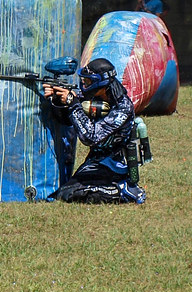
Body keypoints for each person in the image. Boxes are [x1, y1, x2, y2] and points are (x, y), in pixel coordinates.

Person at [42, 58, 146, 204]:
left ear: (102, 82)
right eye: (84, 80)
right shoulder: (91, 96)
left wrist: (73, 103)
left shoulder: (123, 107)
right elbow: (67, 120)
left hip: (115, 166)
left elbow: (90, 137)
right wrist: (58, 101)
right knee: (66, 192)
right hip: (95, 162)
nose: (85, 85)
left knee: (74, 193)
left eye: (88, 81)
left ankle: (125, 190)